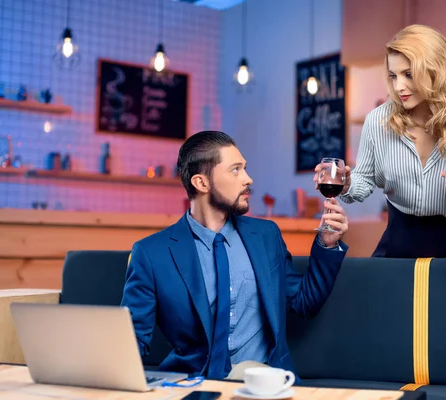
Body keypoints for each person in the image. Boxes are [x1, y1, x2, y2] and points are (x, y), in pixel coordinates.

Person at [122, 130, 349, 380]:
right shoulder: (152, 253)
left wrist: (327, 244)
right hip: (193, 385)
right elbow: (130, 341)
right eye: (235, 170)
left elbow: (304, 301)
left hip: (263, 383)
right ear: (202, 183)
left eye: (245, 168)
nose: (248, 179)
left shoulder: (265, 236)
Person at [315, 24, 446, 258]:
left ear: (436, 70)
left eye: (408, 74)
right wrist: (346, 184)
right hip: (401, 240)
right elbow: (363, 183)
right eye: (393, 76)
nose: (398, 86)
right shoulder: (377, 121)